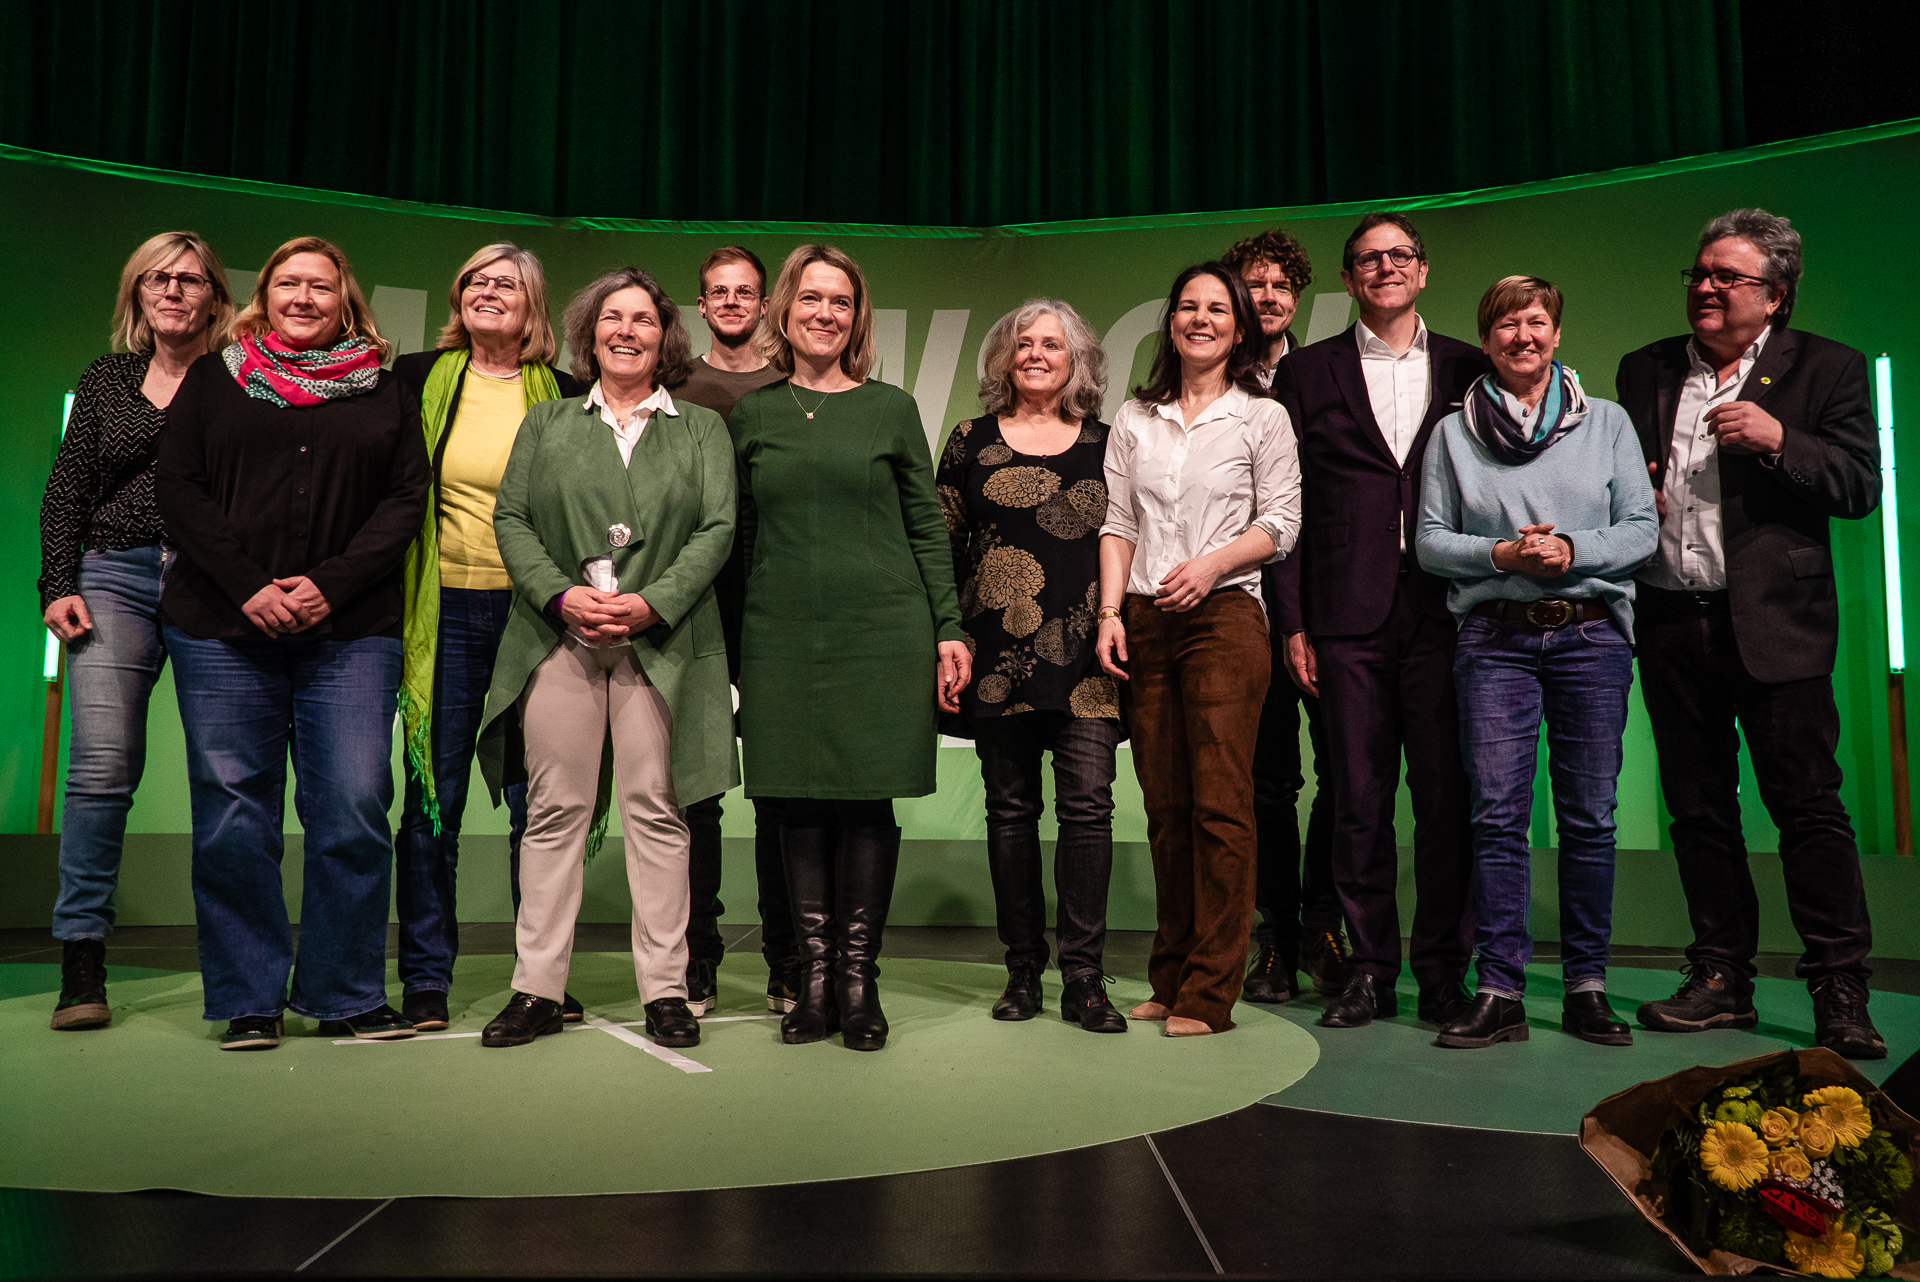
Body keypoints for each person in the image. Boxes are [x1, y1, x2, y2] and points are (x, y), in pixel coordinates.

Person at [1621, 209, 1886, 1059]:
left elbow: (1858, 487)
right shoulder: (1647, 369)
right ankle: (1721, 976)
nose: (1704, 287)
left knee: (1807, 809)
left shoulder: (1828, 369)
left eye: (1726, 277)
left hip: (1777, 626)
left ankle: (1839, 985)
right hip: (1670, 618)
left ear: (1774, 295)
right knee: (1698, 811)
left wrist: (1780, 440)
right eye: (1699, 272)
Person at [155, 235, 430, 1050]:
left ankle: (345, 993)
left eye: (320, 285)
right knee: (234, 816)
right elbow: (180, 491)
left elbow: (406, 500)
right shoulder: (214, 379)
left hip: (349, 630)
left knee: (351, 805)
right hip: (220, 626)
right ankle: (249, 997)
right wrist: (249, 585)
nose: (303, 298)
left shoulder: (383, 389)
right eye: (288, 285)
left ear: (345, 299)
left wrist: (329, 584)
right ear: (262, 296)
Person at [474, 267, 736, 1051]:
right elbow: (512, 519)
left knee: (658, 810)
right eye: (613, 319)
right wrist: (562, 596)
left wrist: (651, 603)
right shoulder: (548, 423)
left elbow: (717, 528)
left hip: (664, 641)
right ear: (590, 336)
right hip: (562, 639)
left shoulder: (700, 430)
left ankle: (665, 992)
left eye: (644, 321)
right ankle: (537, 989)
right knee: (554, 813)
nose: (628, 331)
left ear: (665, 339)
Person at [731, 244, 969, 1052]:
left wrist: (948, 627)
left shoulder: (891, 408)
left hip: (883, 631)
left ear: (856, 318)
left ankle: (860, 986)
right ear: (784, 312)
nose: (825, 313)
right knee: (793, 799)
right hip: (780, 634)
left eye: (840, 302)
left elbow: (927, 529)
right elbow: (743, 536)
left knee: (868, 800)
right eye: (811, 299)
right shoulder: (753, 415)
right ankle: (814, 983)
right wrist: (733, 649)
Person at [1416, 276, 1657, 1049]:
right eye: (1506, 325)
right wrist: (1503, 553)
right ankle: (1500, 990)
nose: (1523, 336)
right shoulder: (1454, 433)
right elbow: (1429, 540)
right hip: (1494, 644)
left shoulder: (1609, 424)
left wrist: (1569, 550)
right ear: (1485, 342)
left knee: (1590, 821)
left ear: (1556, 333)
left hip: (1590, 638)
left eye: (1536, 321)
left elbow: (1641, 529)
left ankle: (1587, 986)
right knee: (1496, 821)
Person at [1270, 212, 1490, 1032]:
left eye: (1399, 256)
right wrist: (1293, 622)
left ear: (1423, 271)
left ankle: (1441, 972)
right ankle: (1368, 967)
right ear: (1350, 278)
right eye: (1368, 259)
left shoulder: (1471, 368)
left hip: (1447, 609)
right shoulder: (1308, 372)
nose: (1385, 267)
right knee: (1358, 797)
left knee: (1444, 797)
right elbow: (1284, 508)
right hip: (1343, 614)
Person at [1094, 262, 1300, 1037]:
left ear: (1241, 328)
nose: (1202, 319)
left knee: (1221, 804)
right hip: (1146, 619)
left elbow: (1281, 523)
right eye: (1188, 306)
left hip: (1224, 618)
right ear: (1171, 322)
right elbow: (1117, 523)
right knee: (1165, 806)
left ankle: (1211, 990)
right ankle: (1170, 973)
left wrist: (1211, 565)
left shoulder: (1261, 417)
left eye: (1219, 309)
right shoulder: (1135, 417)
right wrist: (1112, 612)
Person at [38, 231, 236, 1031]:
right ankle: (82, 962)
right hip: (112, 575)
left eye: (191, 280)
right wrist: (57, 585)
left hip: (214, 581)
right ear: (138, 292)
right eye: (159, 278)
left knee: (228, 775)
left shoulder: (241, 379)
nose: (174, 290)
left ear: (216, 297)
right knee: (99, 770)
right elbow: (67, 488)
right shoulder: (108, 378)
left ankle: (237, 964)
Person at [390, 243, 583, 1033]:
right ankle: (427, 977)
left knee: (537, 804)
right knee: (432, 801)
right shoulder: (413, 380)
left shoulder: (568, 395)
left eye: (507, 283)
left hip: (534, 617)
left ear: (533, 305)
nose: (487, 292)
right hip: (442, 615)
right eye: (475, 280)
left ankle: (537, 976)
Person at [938, 299, 1126, 1035]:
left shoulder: (1112, 442)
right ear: (1003, 358)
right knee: (1010, 814)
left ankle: (1084, 978)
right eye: (1023, 343)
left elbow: (1131, 538)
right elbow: (942, 546)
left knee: (1088, 810)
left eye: (1052, 344)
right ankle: (1022, 971)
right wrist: (944, 634)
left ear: (1078, 359)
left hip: (1088, 658)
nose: (1036, 354)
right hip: (996, 657)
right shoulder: (969, 440)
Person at [1220, 228, 1348, 1005]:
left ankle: (1324, 924)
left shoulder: (1322, 374)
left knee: (1340, 772)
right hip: (1241, 604)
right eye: (1254, 283)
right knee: (1269, 782)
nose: (1267, 297)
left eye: (1281, 286)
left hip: (1326, 602)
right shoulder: (1206, 378)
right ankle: (1273, 933)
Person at [672, 245, 795, 1019]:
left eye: (745, 292)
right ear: (702, 303)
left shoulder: (793, 386)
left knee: (780, 785)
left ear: (763, 303)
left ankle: (787, 960)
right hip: (695, 594)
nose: (731, 303)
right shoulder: (673, 383)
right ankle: (698, 960)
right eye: (718, 292)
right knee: (699, 789)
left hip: (776, 593)